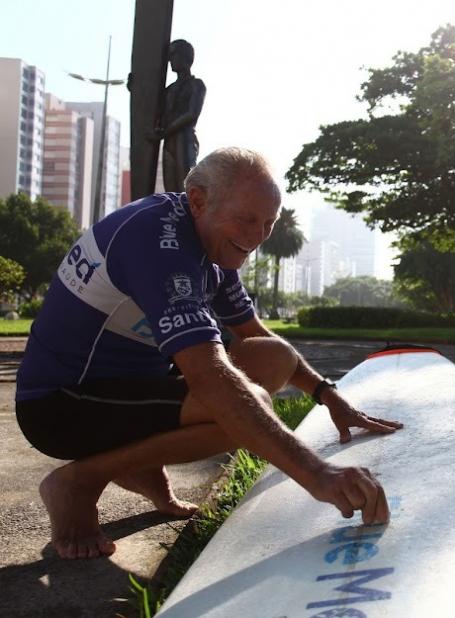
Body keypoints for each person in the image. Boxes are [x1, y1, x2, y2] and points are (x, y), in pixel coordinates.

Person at [15, 147, 402, 560]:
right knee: (247, 408)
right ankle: (80, 481)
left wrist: (328, 396)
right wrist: (317, 473)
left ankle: (140, 464)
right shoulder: (157, 241)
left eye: (268, 224)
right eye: (247, 219)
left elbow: (256, 337)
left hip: (128, 392)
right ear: (198, 201)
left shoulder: (212, 249)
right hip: (60, 406)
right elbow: (209, 377)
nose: (256, 236)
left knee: (272, 357)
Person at [155, 39, 206, 192]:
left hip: (185, 140)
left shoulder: (196, 85)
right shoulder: (168, 90)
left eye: (174, 55)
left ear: (185, 57)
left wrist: (165, 131)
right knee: (170, 188)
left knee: (185, 186)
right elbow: (153, 108)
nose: (171, 60)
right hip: (169, 142)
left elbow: (191, 114)